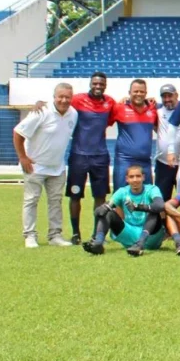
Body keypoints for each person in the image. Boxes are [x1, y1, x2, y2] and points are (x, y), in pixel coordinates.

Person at [13, 83, 78, 248]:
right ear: (54, 96)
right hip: (36, 166)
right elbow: (18, 132)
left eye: (67, 97)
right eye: (60, 96)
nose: (64, 100)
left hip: (57, 167)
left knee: (55, 201)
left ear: (72, 98)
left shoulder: (73, 114)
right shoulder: (41, 112)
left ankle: (55, 235)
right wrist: (23, 157)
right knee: (31, 200)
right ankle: (30, 235)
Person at [65, 71, 115, 245]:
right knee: (75, 196)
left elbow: (113, 117)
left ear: (105, 85)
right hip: (79, 156)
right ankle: (75, 233)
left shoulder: (110, 102)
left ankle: (97, 233)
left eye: (101, 84)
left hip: (100, 157)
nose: (98, 86)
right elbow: (60, 103)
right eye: (95, 83)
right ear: (90, 84)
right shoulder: (77, 100)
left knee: (100, 197)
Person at [83, 164, 167, 256]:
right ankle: (98, 243)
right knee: (109, 213)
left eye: (138, 176)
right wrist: (104, 208)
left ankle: (140, 244)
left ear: (143, 177)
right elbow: (99, 212)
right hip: (129, 233)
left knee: (154, 211)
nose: (135, 180)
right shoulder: (122, 191)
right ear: (127, 179)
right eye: (131, 177)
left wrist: (137, 207)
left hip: (151, 236)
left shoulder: (152, 189)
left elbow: (160, 205)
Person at [110, 79, 158, 190]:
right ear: (129, 92)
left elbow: (160, 128)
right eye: (135, 91)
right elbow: (103, 123)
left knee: (146, 196)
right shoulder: (119, 108)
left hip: (145, 161)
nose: (139, 94)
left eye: (142, 92)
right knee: (120, 195)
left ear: (146, 93)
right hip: (124, 160)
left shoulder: (153, 108)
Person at [154, 84, 180, 200]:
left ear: (176, 95)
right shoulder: (158, 112)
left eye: (170, 96)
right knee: (162, 201)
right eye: (164, 97)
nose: (167, 99)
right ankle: (162, 219)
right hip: (163, 164)